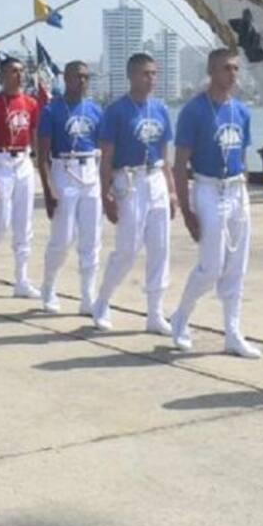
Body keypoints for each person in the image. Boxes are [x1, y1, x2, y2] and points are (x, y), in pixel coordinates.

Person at [169, 48, 258, 358]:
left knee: (237, 266)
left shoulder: (242, 112)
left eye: (235, 68)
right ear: (211, 70)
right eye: (225, 69)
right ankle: (180, 317)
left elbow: (242, 157)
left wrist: (243, 194)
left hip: (236, 190)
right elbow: (179, 165)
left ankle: (232, 333)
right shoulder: (194, 111)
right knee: (211, 267)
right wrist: (186, 209)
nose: (231, 74)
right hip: (207, 189)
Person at [90, 54, 177, 331]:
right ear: (131, 76)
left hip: (155, 179)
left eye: (154, 73)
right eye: (144, 74)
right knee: (127, 249)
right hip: (128, 180)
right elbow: (106, 157)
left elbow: (165, 154)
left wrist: (172, 191)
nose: (150, 79)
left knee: (160, 247)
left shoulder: (161, 109)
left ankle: (155, 312)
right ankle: (102, 300)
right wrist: (107, 194)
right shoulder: (116, 111)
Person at [38, 60, 105, 315]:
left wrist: (107, 183)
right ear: (66, 78)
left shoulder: (95, 110)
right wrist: (48, 189)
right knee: (62, 238)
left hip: (90, 171)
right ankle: (49, 286)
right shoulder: (51, 110)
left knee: (91, 239)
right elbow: (42, 154)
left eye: (87, 77)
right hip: (63, 169)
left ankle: (87, 296)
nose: (84, 81)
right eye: (79, 76)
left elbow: (106, 146)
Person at [0, 57, 40, 297]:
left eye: (21, 71)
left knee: (24, 224)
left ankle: (21, 280)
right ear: (2, 76)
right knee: (1, 221)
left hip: (22, 162)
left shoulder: (31, 103)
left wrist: (38, 165)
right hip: (1, 161)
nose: (19, 75)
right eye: (14, 71)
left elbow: (34, 136)